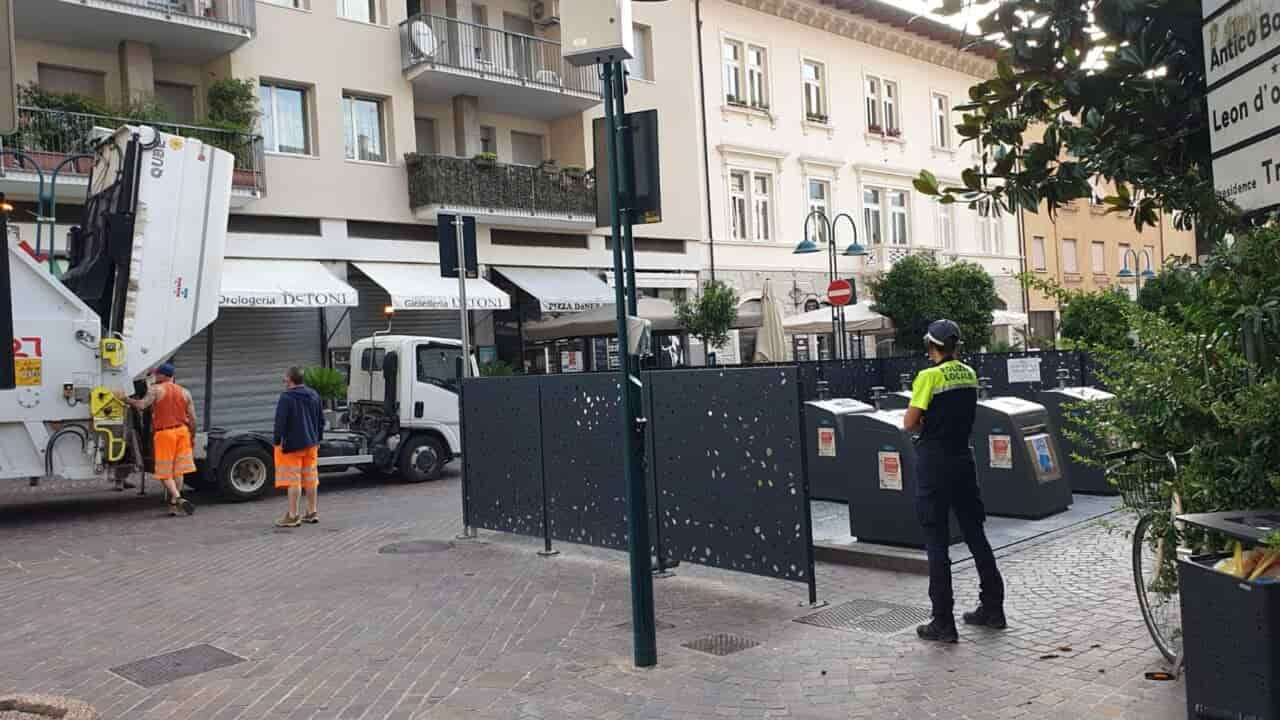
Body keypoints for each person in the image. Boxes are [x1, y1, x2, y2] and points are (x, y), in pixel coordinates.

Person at [903, 319, 1005, 643]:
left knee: (936, 542)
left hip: (934, 463)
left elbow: (909, 423)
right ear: (956, 346)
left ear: (930, 346)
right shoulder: (969, 373)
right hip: (963, 460)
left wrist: (925, 427)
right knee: (976, 535)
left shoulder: (928, 376)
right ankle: (992, 608)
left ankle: (943, 622)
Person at [124, 363, 196, 517]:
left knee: (164, 472)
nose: (155, 377)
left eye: (157, 374)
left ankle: (177, 497)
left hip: (165, 434)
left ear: (163, 375)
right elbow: (193, 418)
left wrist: (126, 399)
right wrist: (192, 436)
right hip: (183, 432)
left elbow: (142, 405)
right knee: (179, 472)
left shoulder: (156, 390)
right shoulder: (185, 392)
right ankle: (173, 506)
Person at [273, 366, 325, 528]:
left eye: (285, 377)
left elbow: (280, 422)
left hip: (292, 445)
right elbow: (321, 420)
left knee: (293, 480)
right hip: (311, 444)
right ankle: (312, 512)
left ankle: (293, 516)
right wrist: (318, 439)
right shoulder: (314, 394)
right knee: (310, 479)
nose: (283, 380)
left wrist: (276, 440)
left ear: (290, 379)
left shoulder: (286, 398)